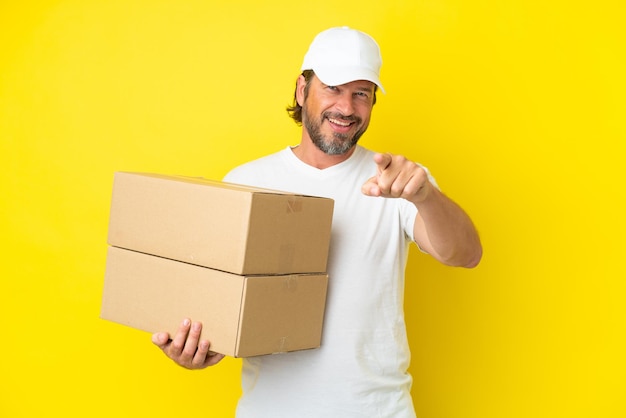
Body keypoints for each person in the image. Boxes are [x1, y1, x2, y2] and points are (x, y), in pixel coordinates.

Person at [152, 26, 482, 417]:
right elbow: (222, 314)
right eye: (333, 88)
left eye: (361, 93)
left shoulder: (398, 182)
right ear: (300, 89)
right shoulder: (245, 183)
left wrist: (425, 196)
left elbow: (466, 254)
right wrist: (196, 349)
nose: (346, 108)